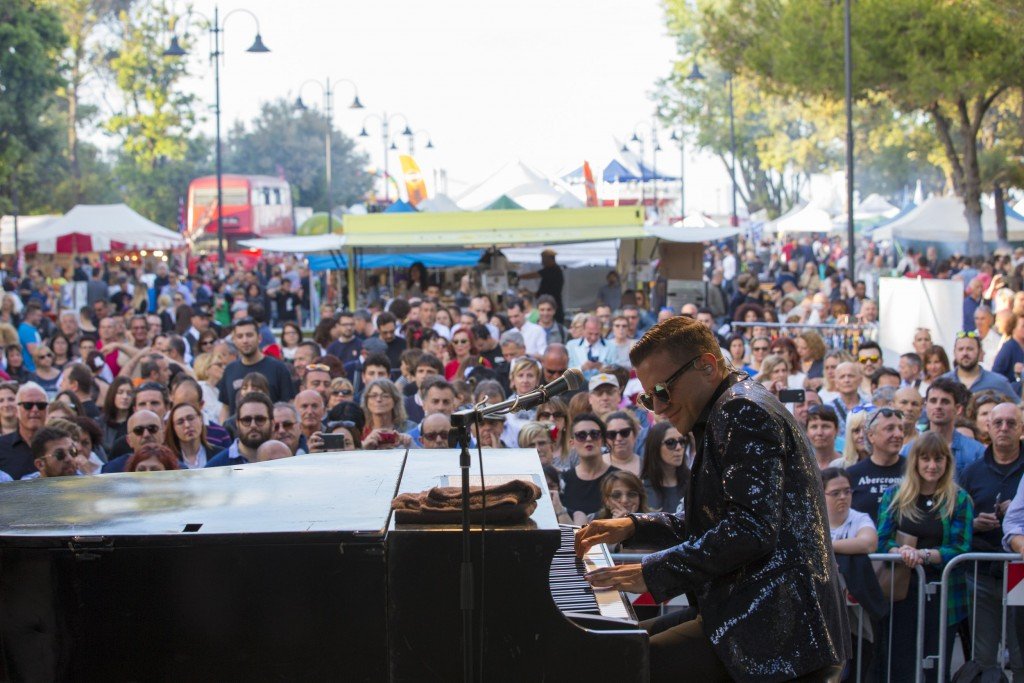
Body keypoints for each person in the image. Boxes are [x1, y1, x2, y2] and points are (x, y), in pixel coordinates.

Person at [577, 316, 848, 682]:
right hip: (751, 610)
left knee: (624, 663)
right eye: (647, 396)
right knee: (618, 648)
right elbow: (706, 522)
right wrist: (630, 526)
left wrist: (650, 572)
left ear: (707, 366)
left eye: (663, 390)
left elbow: (750, 529)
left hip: (774, 626)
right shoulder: (728, 407)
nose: (657, 406)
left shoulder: (742, 410)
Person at [876, 432, 973, 682]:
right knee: (900, 661)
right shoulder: (894, 495)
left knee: (936, 664)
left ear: (947, 462)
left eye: (939, 459)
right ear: (915, 461)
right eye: (926, 459)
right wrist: (899, 552)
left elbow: (960, 546)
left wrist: (925, 555)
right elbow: (882, 539)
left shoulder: (959, 499)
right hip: (902, 591)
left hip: (944, 592)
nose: (932, 466)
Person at [957, 402, 1024, 680]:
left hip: (1019, 573)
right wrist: (974, 523)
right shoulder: (972, 471)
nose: (1004, 428)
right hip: (982, 570)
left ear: (1021, 428)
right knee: (983, 656)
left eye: (1011, 423)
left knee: (1020, 652)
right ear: (988, 427)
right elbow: (958, 520)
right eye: (998, 423)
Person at [821, 467, 880, 681]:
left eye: (847, 491)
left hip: (855, 612)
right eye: (835, 493)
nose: (843, 497)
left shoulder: (859, 518)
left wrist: (828, 546)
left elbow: (868, 542)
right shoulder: (814, 521)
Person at [217, 318, 295, 422]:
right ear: (234, 340)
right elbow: (226, 408)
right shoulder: (230, 370)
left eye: (249, 335)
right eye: (240, 336)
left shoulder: (278, 368)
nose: (245, 340)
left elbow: (289, 405)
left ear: (259, 338)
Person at [845, 408, 906, 522]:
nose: (898, 434)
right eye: (890, 429)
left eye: (901, 429)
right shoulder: (852, 474)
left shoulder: (913, 470)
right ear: (871, 435)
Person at [560, 413, 614, 525]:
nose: (588, 439)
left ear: (602, 439)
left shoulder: (618, 478)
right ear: (572, 443)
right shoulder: (563, 481)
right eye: (581, 435)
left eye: (594, 434)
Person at [943, 330, 1018, 403]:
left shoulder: (999, 382)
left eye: (970, 349)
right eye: (960, 349)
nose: (965, 353)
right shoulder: (943, 382)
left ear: (980, 352)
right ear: (954, 353)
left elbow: (1019, 407)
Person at [206, 392, 274, 467]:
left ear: (272, 423)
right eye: (246, 420)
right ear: (237, 424)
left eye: (260, 419)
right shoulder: (216, 466)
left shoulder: (284, 458)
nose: (253, 425)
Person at [0, 382, 50, 480]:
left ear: (48, 409)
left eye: (41, 405)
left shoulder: (60, 446)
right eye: (28, 405)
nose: (35, 409)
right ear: (16, 410)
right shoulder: (1, 446)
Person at [640, 421, 689, 515]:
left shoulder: (693, 482)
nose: (678, 447)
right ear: (655, 447)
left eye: (682, 441)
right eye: (670, 443)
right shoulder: (641, 488)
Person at [360, 378, 414, 449]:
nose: (379, 399)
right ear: (366, 401)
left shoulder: (410, 427)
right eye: (373, 396)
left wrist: (409, 444)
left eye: (385, 396)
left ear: (395, 401)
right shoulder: (359, 430)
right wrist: (365, 447)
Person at [518, 248, 564, 324]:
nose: (542, 262)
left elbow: (534, 275)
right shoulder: (552, 270)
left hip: (553, 307)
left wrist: (519, 277)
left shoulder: (553, 270)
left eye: (543, 259)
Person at [165, 401, 210, 469]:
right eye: (180, 422)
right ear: (173, 428)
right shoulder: (167, 459)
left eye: (191, 418)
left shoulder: (220, 455)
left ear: (201, 419)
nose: (187, 425)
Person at [603, 410, 641, 477]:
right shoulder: (597, 465)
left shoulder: (648, 466)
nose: (618, 438)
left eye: (624, 432)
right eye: (612, 434)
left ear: (635, 434)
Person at [807, 405, 842, 469]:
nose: (819, 432)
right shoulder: (804, 466)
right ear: (807, 431)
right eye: (814, 427)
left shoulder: (847, 464)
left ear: (836, 430)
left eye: (825, 426)